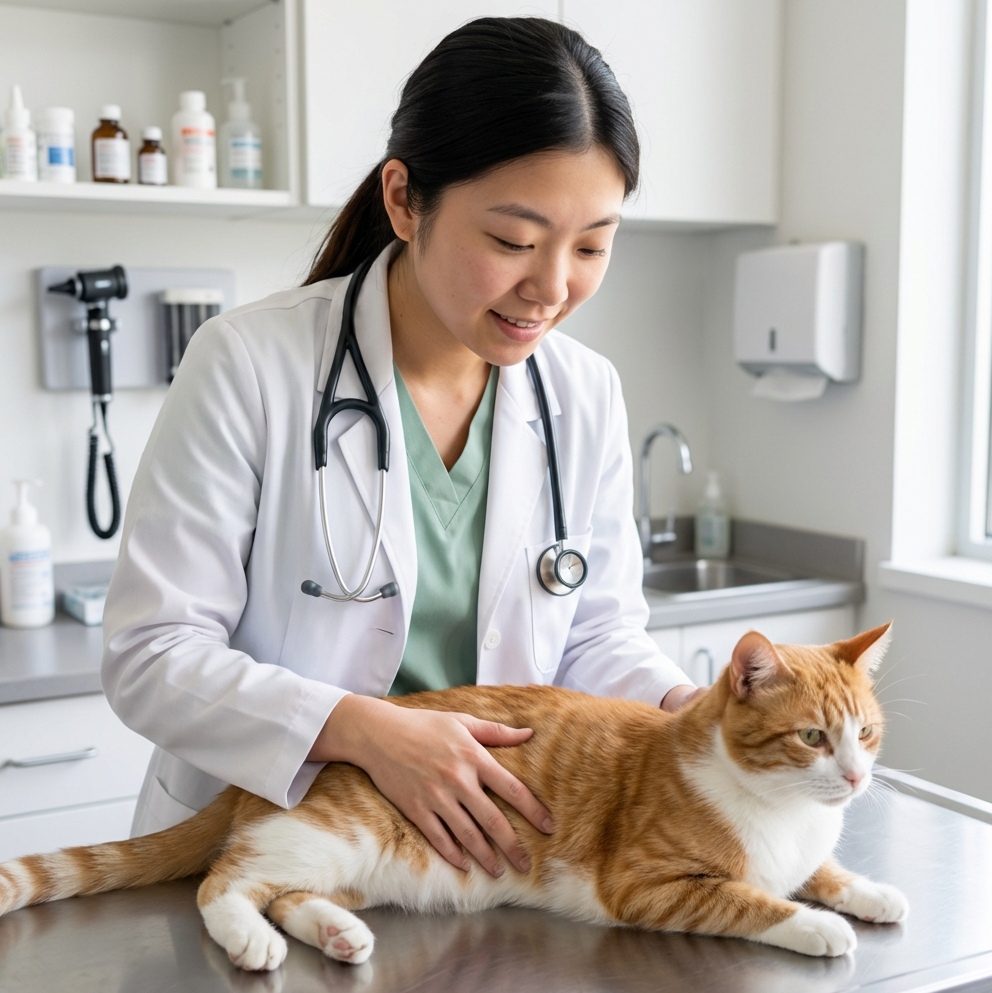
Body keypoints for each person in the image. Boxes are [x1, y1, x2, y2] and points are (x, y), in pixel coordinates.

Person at [102, 16, 697, 881]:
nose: (554, 287)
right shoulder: (250, 363)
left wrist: (689, 710)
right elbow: (151, 655)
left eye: (593, 245)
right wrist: (362, 729)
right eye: (513, 241)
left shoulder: (583, 391)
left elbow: (596, 636)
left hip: (478, 860)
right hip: (269, 845)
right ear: (403, 199)